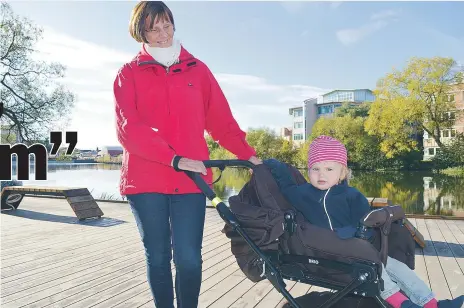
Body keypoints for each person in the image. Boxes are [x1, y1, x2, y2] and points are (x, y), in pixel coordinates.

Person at [113, 2, 262, 307]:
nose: (163, 34)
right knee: (157, 257)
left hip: (191, 180)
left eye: (167, 25)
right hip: (146, 180)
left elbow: (222, 122)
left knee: (189, 259)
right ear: (140, 32)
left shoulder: (198, 69)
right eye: (153, 29)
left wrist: (250, 156)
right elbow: (129, 129)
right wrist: (174, 159)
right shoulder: (128, 74)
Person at [264, 135, 463, 308]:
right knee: (379, 271)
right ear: (308, 171)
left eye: (329, 168)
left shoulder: (351, 195)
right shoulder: (303, 194)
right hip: (330, 253)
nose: (321, 174)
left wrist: (355, 231)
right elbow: (287, 185)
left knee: (397, 268)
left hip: (359, 248)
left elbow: (365, 222)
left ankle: (430, 303)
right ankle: (403, 304)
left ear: (342, 172)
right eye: (315, 168)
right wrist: (273, 164)